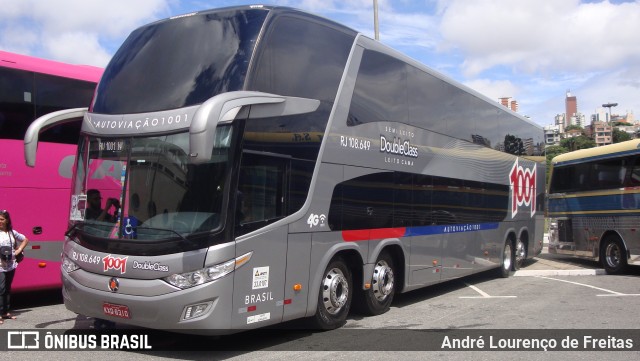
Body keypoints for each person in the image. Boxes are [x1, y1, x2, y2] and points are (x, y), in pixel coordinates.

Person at [0, 210, 28, 324]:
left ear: (7, 220)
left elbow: (25, 239)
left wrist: (19, 250)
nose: (0, 221)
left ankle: (5, 312)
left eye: (2, 219)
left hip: (11, 264)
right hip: (0, 265)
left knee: (7, 288)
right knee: (1, 289)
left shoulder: (12, 232)